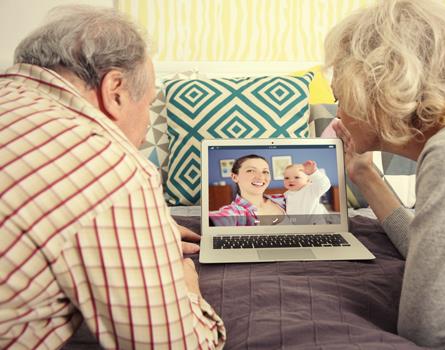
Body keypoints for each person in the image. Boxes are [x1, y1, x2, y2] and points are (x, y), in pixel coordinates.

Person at [0, 6, 225, 349]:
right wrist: (186, 286)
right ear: (115, 90)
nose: (148, 121)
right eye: (150, 104)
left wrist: (148, 232)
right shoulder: (112, 168)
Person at [324, 0, 445, 348]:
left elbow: (425, 331)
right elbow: (433, 252)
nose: (338, 112)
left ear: (374, 93)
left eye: (339, 97)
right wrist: (363, 174)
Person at [209, 154, 286, 226]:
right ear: (235, 177)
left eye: (265, 171)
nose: (260, 177)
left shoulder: (283, 199)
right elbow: (219, 217)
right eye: (251, 170)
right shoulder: (236, 211)